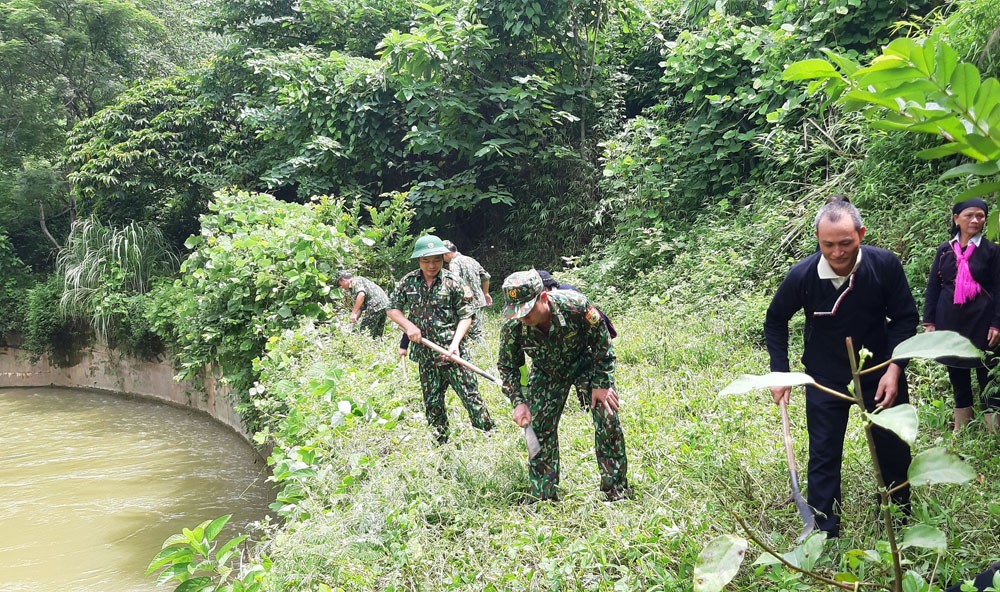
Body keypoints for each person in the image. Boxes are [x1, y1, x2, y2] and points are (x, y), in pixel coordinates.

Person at [764, 195, 917, 537]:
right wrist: (780, 372)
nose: (836, 253)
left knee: (892, 448)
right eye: (827, 244)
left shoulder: (884, 265)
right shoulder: (802, 275)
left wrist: (895, 368)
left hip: (879, 372)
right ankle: (823, 529)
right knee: (823, 454)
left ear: (861, 234)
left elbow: (906, 318)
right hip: (824, 377)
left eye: (845, 242)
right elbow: (775, 320)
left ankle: (898, 519)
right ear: (817, 239)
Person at [497, 269, 629, 502]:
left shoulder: (576, 306)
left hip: (585, 364)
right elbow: (509, 367)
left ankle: (616, 490)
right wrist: (519, 402)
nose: (523, 318)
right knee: (539, 429)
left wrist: (601, 385)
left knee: (607, 416)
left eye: (527, 310)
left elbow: (603, 344)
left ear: (544, 298)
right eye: (517, 312)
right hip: (547, 373)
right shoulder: (513, 326)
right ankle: (544, 496)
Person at [387, 234, 495, 444]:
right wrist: (409, 326)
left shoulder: (453, 282)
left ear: (442, 258)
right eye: (426, 261)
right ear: (418, 261)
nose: (431, 265)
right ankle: (440, 443)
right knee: (433, 403)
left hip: (453, 354)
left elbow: (467, 315)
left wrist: (455, 345)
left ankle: (489, 437)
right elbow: (392, 308)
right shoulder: (408, 282)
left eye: (436, 259)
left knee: (471, 398)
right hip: (426, 356)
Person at [923, 197, 1000, 432]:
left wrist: (997, 323)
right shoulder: (945, 250)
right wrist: (929, 322)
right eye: (969, 215)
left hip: (982, 321)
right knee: (956, 372)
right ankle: (961, 426)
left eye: (980, 216)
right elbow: (934, 287)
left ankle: (992, 428)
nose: (975, 220)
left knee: (987, 372)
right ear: (956, 219)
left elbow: (999, 288)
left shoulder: (991, 251)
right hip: (950, 321)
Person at [443, 240, 492, 342]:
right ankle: (482, 352)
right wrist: (486, 293)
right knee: (477, 330)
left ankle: (481, 352)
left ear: (446, 253)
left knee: (469, 333)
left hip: (466, 302)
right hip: (479, 301)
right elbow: (486, 277)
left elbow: (455, 281)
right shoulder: (471, 260)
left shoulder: (454, 263)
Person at [336, 271, 389, 339]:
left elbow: (361, 295)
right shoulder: (356, 284)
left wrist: (353, 313)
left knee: (364, 332)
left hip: (375, 304)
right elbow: (360, 307)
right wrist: (353, 320)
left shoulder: (355, 281)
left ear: (342, 280)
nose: (341, 287)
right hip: (384, 304)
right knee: (377, 335)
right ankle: (377, 346)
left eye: (340, 284)